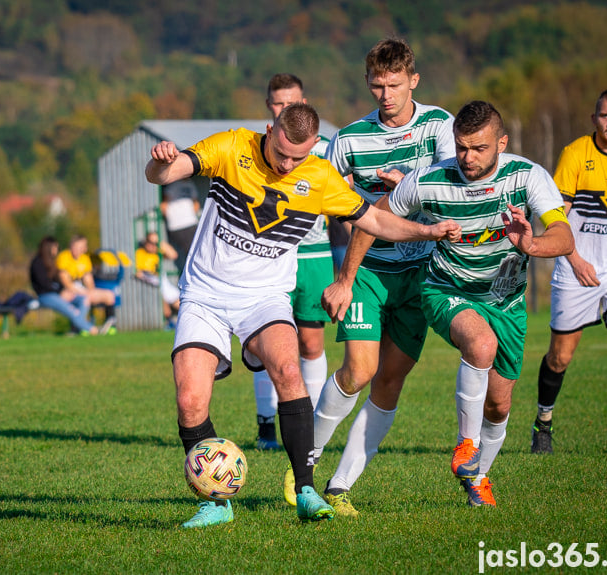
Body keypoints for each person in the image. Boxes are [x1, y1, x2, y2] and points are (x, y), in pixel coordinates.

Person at [145, 102, 461, 528]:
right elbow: (166, 174)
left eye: (299, 156)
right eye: (281, 153)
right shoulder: (231, 146)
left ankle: (307, 490)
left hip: (265, 298)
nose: (288, 164)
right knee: (189, 402)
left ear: (313, 147)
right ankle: (215, 502)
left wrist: (426, 230)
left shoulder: (319, 177)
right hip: (205, 296)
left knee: (289, 372)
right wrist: (160, 163)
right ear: (269, 129)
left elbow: (376, 221)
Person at [385, 100, 574, 507]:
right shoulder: (429, 179)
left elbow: (564, 237)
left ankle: (478, 477)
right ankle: (466, 444)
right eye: (461, 147)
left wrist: (531, 243)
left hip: (507, 302)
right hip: (445, 289)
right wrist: (348, 276)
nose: (468, 158)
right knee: (481, 344)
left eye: (479, 148)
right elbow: (378, 217)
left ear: (501, 143)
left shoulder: (527, 176)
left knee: (500, 401)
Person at [299, 38, 456, 516]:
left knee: (389, 383)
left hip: (420, 274)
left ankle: (340, 487)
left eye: (393, 85)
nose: (384, 95)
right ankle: (303, 466)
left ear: (413, 80)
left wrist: (406, 187)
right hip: (366, 269)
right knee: (359, 371)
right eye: (375, 86)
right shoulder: (347, 139)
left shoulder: (439, 126)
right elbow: (318, 194)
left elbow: (456, 185)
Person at [531, 88, 607, 454]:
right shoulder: (576, 154)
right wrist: (575, 260)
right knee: (560, 356)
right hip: (575, 265)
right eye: (604, 115)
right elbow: (555, 218)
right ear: (594, 118)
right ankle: (543, 423)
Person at [252, 73, 334, 451]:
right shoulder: (260, 148)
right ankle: (266, 425)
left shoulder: (326, 148)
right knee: (265, 344)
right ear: (269, 106)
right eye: (278, 102)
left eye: (292, 101)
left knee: (310, 343)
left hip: (315, 255)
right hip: (270, 256)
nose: (285, 108)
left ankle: (312, 430)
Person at [29, 236, 101, 336]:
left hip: (58, 294)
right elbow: (44, 285)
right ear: (49, 248)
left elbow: (58, 283)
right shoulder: (37, 263)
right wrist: (60, 292)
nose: (57, 250)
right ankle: (92, 329)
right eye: (55, 247)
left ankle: (76, 329)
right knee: (73, 311)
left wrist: (65, 291)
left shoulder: (52, 263)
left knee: (83, 299)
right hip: (46, 296)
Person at [56, 235, 118, 334]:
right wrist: (83, 292)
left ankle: (110, 326)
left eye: (83, 247)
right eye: (79, 247)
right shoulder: (64, 257)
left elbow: (88, 280)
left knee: (109, 295)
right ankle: (78, 327)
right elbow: (66, 282)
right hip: (67, 291)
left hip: (82, 290)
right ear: (72, 246)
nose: (83, 249)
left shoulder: (84, 258)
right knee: (85, 299)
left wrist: (90, 291)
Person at [135, 231, 180, 329]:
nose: (152, 246)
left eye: (155, 243)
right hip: (150, 282)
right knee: (160, 293)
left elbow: (173, 255)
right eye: (150, 242)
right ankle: (168, 321)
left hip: (160, 280)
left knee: (180, 303)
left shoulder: (157, 253)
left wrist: (160, 243)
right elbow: (138, 273)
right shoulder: (140, 253)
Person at [160, 179, 200, 273]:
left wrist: (189, 215)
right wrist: (174, 218)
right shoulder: (173, 185)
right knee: (192, 251)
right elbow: (164, 205)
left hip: (191, 222)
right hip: (177, 225)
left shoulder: (190, 184)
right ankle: (193, 274)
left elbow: (196, 203)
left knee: (197, 249)